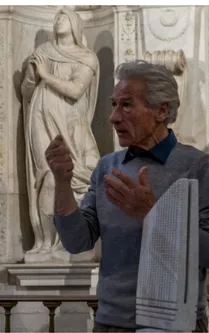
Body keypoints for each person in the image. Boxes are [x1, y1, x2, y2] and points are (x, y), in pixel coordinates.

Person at [46, 60, 209, 332]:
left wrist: (152, 214)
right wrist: (62, 181)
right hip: (111, 323)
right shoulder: (107, 166)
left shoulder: (197, 165)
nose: (114, 117)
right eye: (114, 104)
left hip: (177, 324)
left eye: (127, 105)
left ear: (161, 110)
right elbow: (76, 242)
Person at [21, 7, 100, 258]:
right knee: (46, 175)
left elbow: (76, 90)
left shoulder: (87, 57)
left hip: (72, 123)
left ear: (76, 24)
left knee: (76, 174)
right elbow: (26, 90)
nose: (58, 20)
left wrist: (45, 75)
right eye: (57, 16)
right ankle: (45, 242)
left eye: (64, 16)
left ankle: (70, 241)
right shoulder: (43, 52)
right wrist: (33, 77)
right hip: (40, 118)